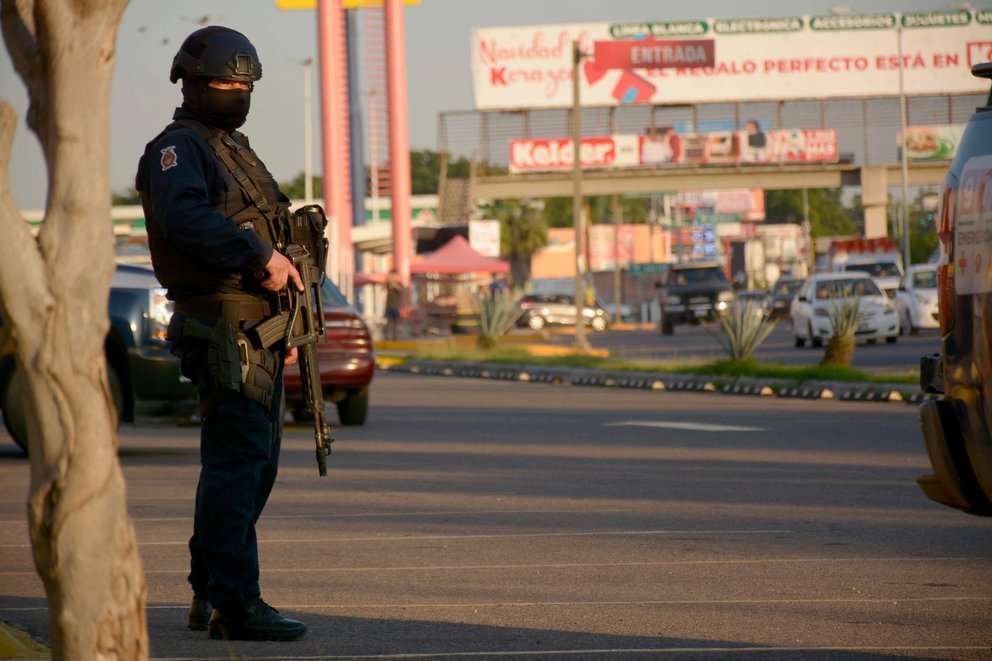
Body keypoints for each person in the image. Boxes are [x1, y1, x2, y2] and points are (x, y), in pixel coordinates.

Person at [135, 26, 307, 641]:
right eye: (225, 84)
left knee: (251, 466)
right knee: (237, 465)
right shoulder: (178, 149)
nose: (237, 94)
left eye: (245, 86)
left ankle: (210, 589)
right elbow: (184, 217)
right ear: (190, 83)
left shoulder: (231, 148)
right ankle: (235, 605)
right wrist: (258, 255)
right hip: (223, 323)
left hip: (256, 325)